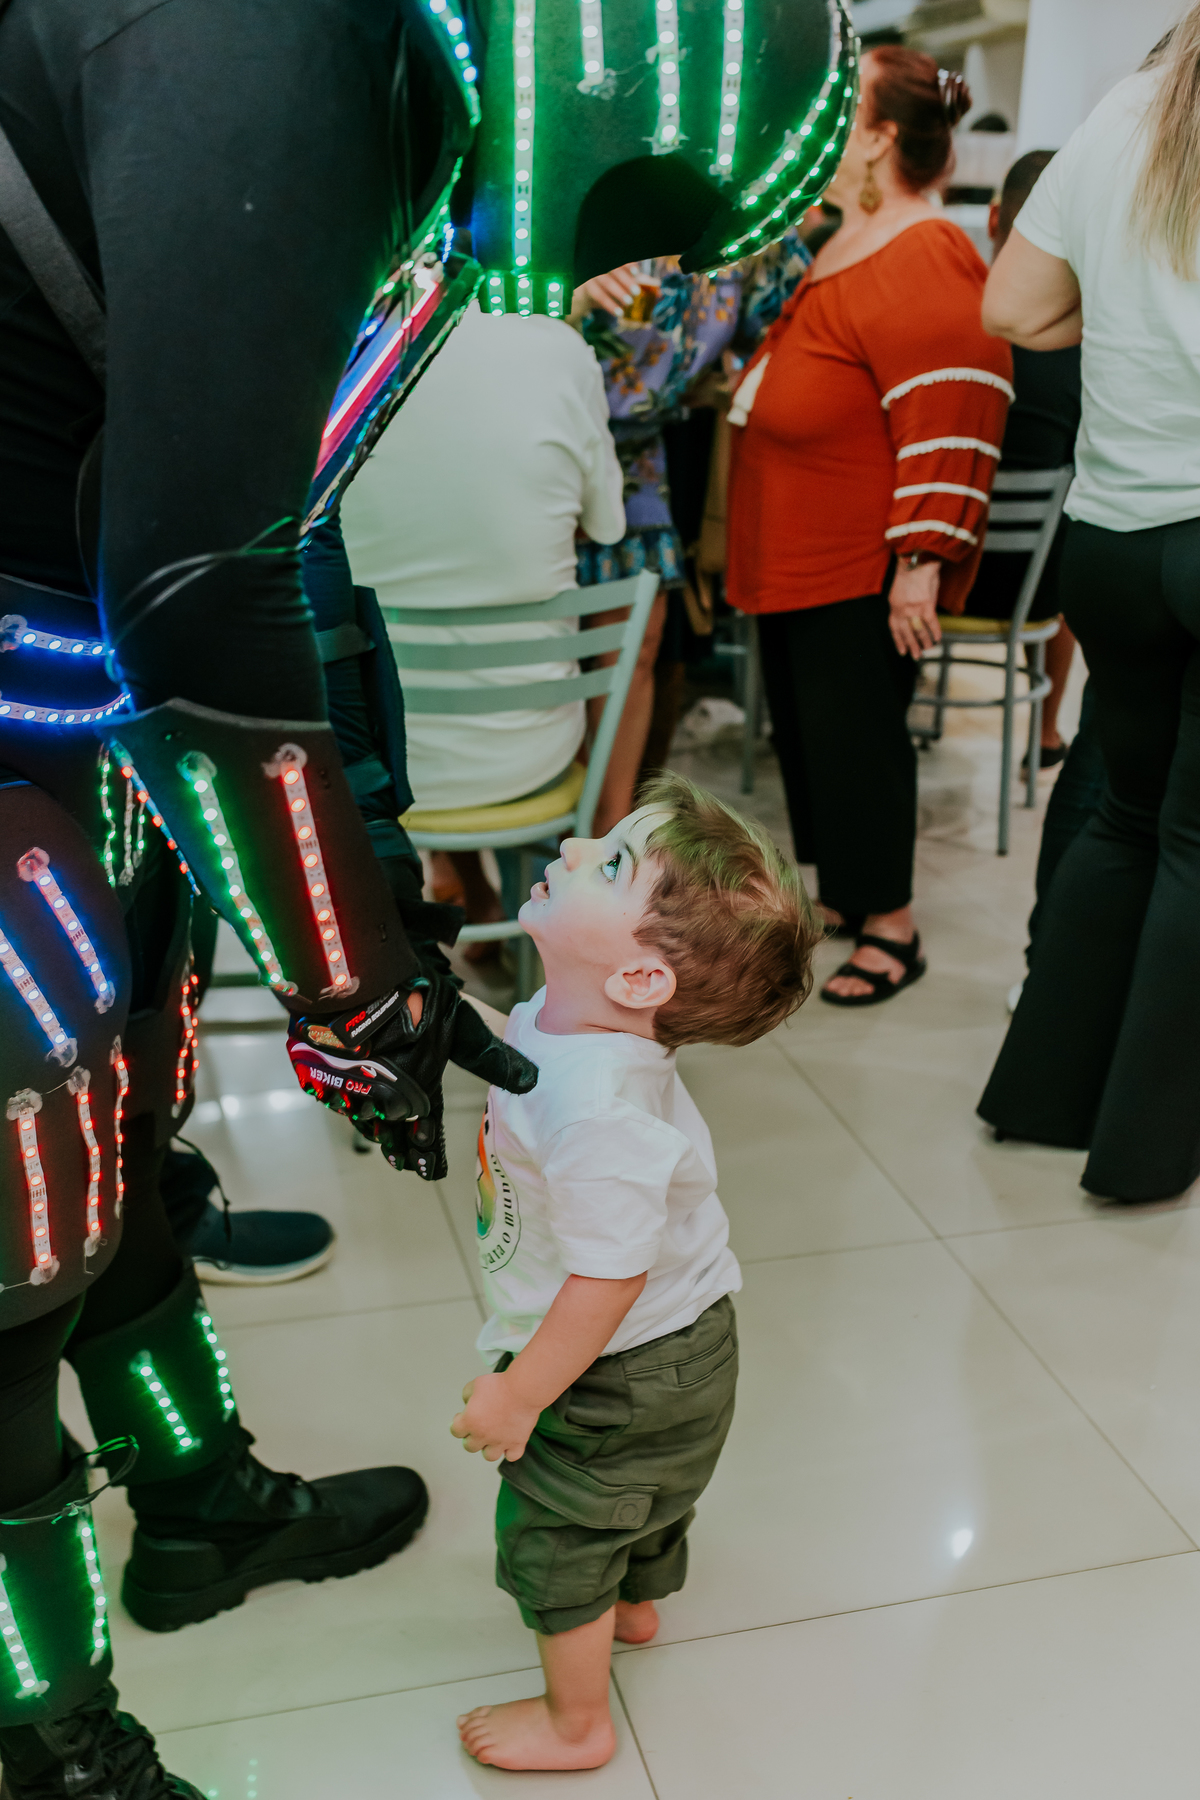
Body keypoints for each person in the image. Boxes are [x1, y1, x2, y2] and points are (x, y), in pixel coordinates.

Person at [449, 772, 820, 1771]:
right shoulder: (571, 1021)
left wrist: (521, 1396)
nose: (573, 849)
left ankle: (577, 1723)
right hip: (683, 1346)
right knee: (648, 1498)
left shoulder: (601, 1113)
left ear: (643, 979)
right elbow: (521, 1058)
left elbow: (607, 1284)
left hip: (624, 1365)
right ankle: (638, 1605)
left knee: (562, 1526)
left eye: (609, 862)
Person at [726, 47, 1012, 1005]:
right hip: (799, 550)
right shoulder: (850, 236)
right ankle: (845, 896)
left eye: (837, 115)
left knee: (858, 741)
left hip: (857, 557)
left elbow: (954, 401)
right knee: (811, 740)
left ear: (882, 137)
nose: (819, 135)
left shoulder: (925, 249)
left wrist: (922, 562)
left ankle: (892, 922)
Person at [977, 14, 1200, 1203]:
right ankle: (1146, 1152)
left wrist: (1113, 325)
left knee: (1123, 816)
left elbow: (1010, 309)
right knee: (1196, 848)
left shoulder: (1124, 112)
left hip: (1111, 539)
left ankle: (1044, 1097)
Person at [340, 302, 625, 941]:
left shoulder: (343, 350)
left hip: (372, 767)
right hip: (526, 758)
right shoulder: (557, 347)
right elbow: (609, 525)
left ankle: (442, 900)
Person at [570, 239, 809, 834]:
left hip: (636, 458)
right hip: (533, 435)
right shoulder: (581, 176)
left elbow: (801, 325)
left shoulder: (747, 226)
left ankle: (605, 835)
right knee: (531, 646)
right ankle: (472, 856)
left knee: (636, 649)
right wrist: (563, 293)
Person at [970, 150, 1083, 773]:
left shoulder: (953, 332)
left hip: (939, 575)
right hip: (1034, 592)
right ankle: (1043, 736)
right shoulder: (1082, 353)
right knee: (1070, 525)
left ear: (993, 220)